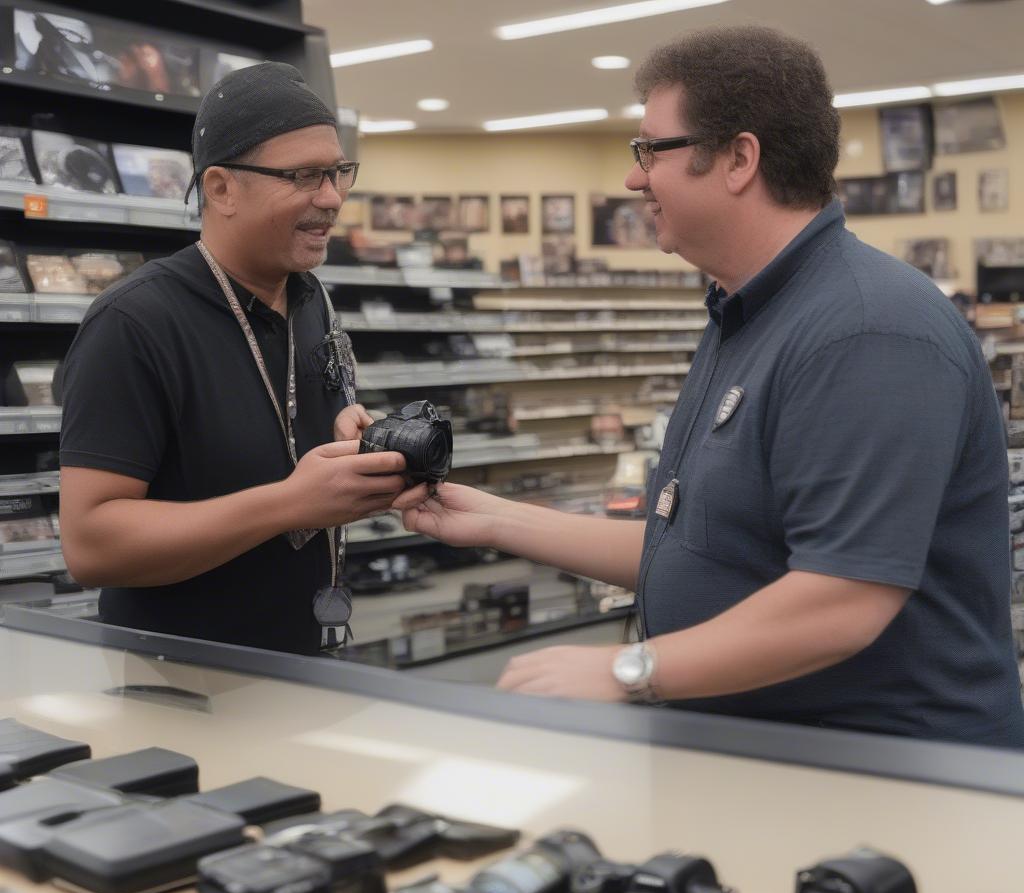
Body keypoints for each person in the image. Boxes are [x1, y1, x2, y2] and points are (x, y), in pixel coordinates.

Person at [396, 26, 1024, 748]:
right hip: (775, 755)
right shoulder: (749, 314)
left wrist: (629, 669)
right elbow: (700, 549)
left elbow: (843, 598)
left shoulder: (865, 330)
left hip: (888, 779)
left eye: (649, 150)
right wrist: (494, 520)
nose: (635, 178)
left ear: (737, 159)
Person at [59, 62, 407, 655]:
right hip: (181, 680)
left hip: (307, 661)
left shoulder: (310, 297)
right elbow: (92, 546)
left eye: (338, 172)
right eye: (303, 175)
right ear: (220, 188)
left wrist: (349, 428)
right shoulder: (134, 322)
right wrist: (291, 503)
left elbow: (273, 429)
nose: (332, 198)